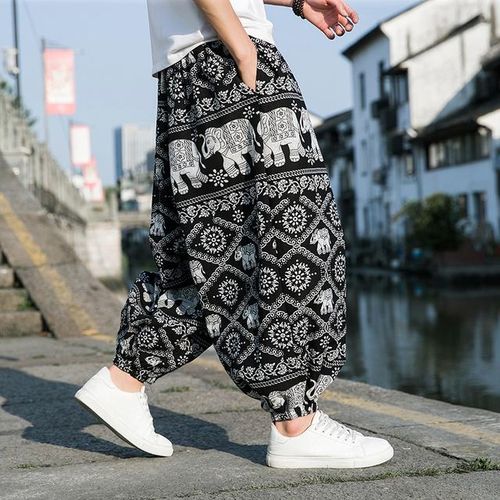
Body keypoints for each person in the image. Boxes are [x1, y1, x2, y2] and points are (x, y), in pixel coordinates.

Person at [75, 0, 394, 469]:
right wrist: (244, 51)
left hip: (190, 73)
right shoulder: (236, 53)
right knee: (295, 240)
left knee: (213, 254)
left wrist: (296, 2)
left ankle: (125, 380)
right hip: (225, 60)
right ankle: (296, 423)